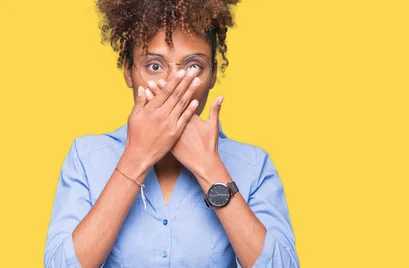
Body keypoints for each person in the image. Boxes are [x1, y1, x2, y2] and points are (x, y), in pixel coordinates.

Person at [43, 0, 298, 267]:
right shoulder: (86, 158)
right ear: (129, 72)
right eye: (154, 66)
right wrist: (136, 158)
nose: (173, 84)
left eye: (192, 67)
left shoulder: (254, 165)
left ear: (213, 74)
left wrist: (209, 168)